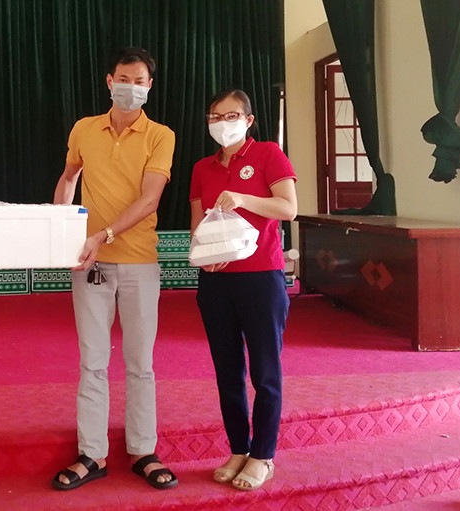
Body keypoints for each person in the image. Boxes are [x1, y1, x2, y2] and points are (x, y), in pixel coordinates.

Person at [51, 47, 178, 491]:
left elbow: (150, 200)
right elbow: (69, 177)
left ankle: (143, 450)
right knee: (93, 361)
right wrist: (61, 231)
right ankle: (92, 453)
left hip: (140, 261)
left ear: (149, 86)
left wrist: (102, 235)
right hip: (91, 264)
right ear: (109, 81)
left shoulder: (160, 135)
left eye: (139, 81)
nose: (131, 87)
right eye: (123, 79)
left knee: (140, 363)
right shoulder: (84, 129)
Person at [189, 89, 297, 491]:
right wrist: (202, 254)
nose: (222, 123)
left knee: (265, 371)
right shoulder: (202, 167)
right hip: (216, 280)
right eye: (214, 117)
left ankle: (263, 455)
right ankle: (239, 448)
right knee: (227, 370)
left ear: (248, 120)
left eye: (231, 115)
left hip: (261, 277)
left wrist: (243, 199)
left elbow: (287, 208)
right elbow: (197, 223)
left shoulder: (268, 154)